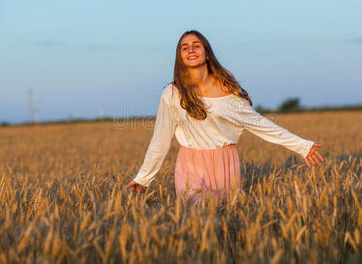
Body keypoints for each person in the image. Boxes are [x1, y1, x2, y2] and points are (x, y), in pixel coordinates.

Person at [126, 30, 324, 201]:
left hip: (225, 163)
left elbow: (260, 124)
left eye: (196, 45)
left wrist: (302, 146)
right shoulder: (172, 93)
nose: (191, 50)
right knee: (198, 221)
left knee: (225, 220)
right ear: (180, 57)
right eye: (184, 48)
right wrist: (144, 177)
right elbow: (160, 138)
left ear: (207, 54)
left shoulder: (229, 91)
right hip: (190, 163)